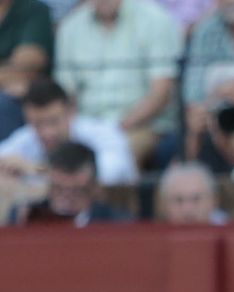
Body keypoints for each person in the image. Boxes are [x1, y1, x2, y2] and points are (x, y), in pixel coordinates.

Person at [54, 0, 183, 167]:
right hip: (86, 126)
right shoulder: (70, 27)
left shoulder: (155, 19)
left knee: (115, 162)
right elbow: (65, 95)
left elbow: (161, 93)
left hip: (141, 125)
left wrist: (117, 129)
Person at [0, 78, 138, 186]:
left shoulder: (104, 132)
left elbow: (108, 174)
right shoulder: (27, 136)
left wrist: (37, 170)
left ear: (71, 112)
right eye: (37, 124)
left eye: (53, 121)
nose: (46, 132)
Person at [4, 140, 130, 225]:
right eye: (59, 189)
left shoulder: (117, 223)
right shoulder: (25, 217)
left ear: (95, 188)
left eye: (77, 191)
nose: (66, 199)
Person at [157, 160, 227, 222]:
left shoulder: (229, 229)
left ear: (214, 201)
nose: (187, 210)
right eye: (179, 200)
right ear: (164, 205)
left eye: (196, 199)